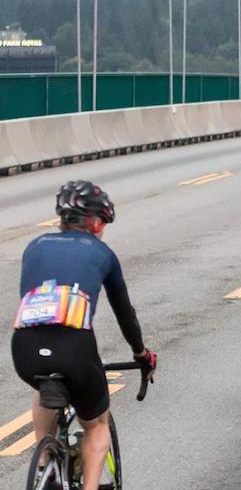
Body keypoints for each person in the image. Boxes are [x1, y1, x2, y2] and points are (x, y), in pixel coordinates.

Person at [12, 181, 157, 490]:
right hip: (75, 349)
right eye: (102, 221)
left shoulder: (34, 246)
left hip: (24, 348)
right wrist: (141, 353)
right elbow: (125, 315)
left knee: (44, 380)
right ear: (92, 222)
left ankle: (43, 466)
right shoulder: (102, 252)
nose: (102, 228)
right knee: (97, 424)